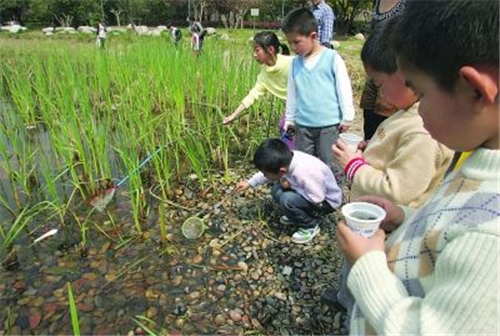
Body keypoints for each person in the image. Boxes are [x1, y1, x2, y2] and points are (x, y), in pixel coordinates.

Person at [337, 1, 499, 334]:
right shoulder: (478, 158)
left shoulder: (490, 239)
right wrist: (406, 216)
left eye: (422, 93)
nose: (418, 108)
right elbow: (447, 226)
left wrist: (368, 266)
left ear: (474, 91)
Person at [324, 17, 454, 322]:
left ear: (407, 75)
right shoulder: (405, 113)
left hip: (390, 225)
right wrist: (369, 148)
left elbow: (399, 189)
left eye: (380, 85)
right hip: (374, 213)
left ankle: (358, 315)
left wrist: (354, 165)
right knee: (350, 265)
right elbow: (392, 150)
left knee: (370, 271)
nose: (378, 94)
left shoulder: (422, 131)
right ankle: (346, 301)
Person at [281, 7, 355, 166]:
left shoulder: (331, 58)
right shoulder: (295, 64)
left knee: (331, 163)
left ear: (313, 36)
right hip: (303, 126)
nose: (293, 48)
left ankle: (335, 191)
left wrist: (347, 115)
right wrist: (290, 119)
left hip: (328, 125)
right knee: (305, 164)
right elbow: (292, 94)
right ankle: (310, 191)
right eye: (289, 42)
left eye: (297, 42)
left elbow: (343, 88)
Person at [234, 139, 342, 244]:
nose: (265, 176)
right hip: (311, 193)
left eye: (266, 174)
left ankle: (310, 225)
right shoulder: (286, 159)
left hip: (326, 202)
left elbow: (317, 197)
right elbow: (269, 174)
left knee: (287, 200)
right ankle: (296, 215)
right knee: (276, 190)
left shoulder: (305, 172)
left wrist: (292, 187)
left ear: (282, 171)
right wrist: (250, 183)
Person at [222, 31, 295, 149]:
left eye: (257, 50)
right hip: (291, 110)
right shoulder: (264, 74)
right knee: (284, 127)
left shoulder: (291, 63)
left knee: (286, 127)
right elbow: (252, 95)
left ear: (270, 50)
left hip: (306, 107)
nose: (254, 55)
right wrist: (233, 116)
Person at [360, 0, 406, 140]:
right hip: (376, 67)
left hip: (393, 70)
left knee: (387, 112)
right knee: (370, 114)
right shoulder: (377, 2)